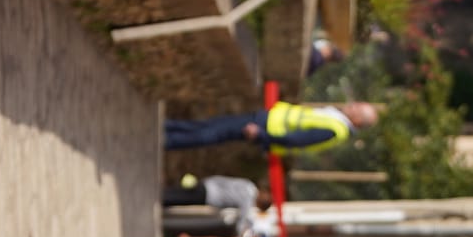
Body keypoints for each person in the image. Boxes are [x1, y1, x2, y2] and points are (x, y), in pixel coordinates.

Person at [163, 101, 380, 155]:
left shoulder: (335, 130)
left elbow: (297, 140)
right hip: (264, 119)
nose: (352, 105)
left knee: (212, 133)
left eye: (357, 108)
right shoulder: (336, 118)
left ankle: (168, 141)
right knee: (211, 124)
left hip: (263, 128)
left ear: (358, 121)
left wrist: (261, 135)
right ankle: (168, 128)